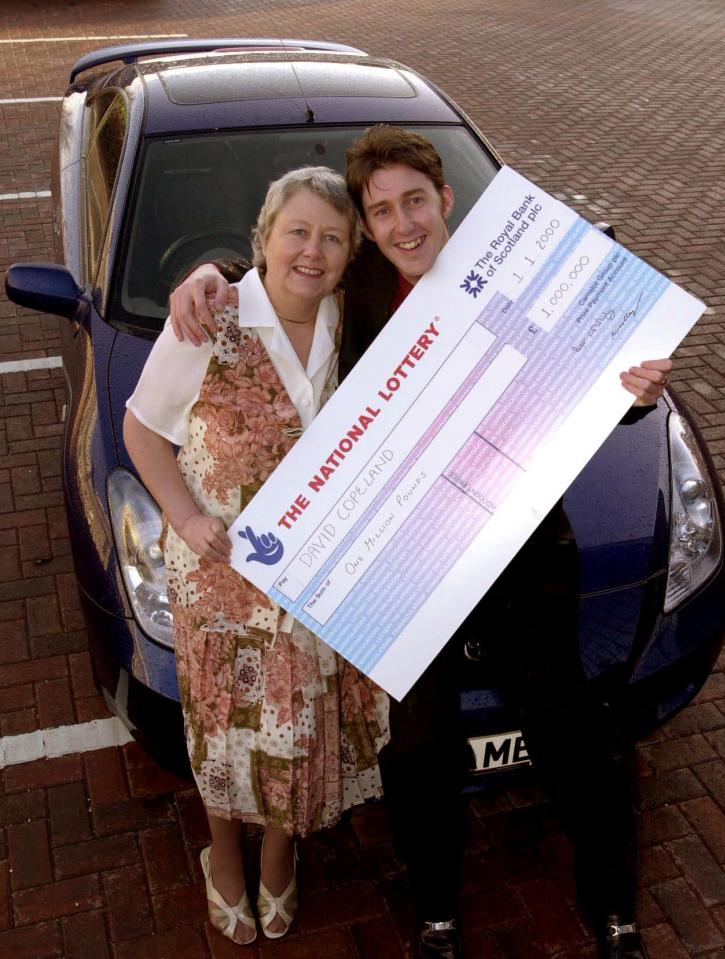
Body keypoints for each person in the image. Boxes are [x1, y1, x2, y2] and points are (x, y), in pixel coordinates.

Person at [168, 128, 671, 959]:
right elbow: (275, 266)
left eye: (414, 202)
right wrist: (206, 272)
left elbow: (594, 364)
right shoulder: (355, 285)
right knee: (420, 748)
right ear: (365, 226)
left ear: (446, 201)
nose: (402, 225)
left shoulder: (510, 271)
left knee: (574, 731)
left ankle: (614, 907)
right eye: (380, 211)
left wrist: (634, 389)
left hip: (519, 551)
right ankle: (435, 908)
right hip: (406, 564)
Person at [124, 166, 389, 947]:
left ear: (350, 255)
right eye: (297, 232)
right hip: (220, 571)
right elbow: (144, 431)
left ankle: (279, 853)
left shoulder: (353, 319)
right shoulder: (212, 317)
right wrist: (184, 514)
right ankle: (228, 857)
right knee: (225, 724)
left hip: (313, 577)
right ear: (263, 240)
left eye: (333, 238)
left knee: (298, 724)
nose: (313, 250)